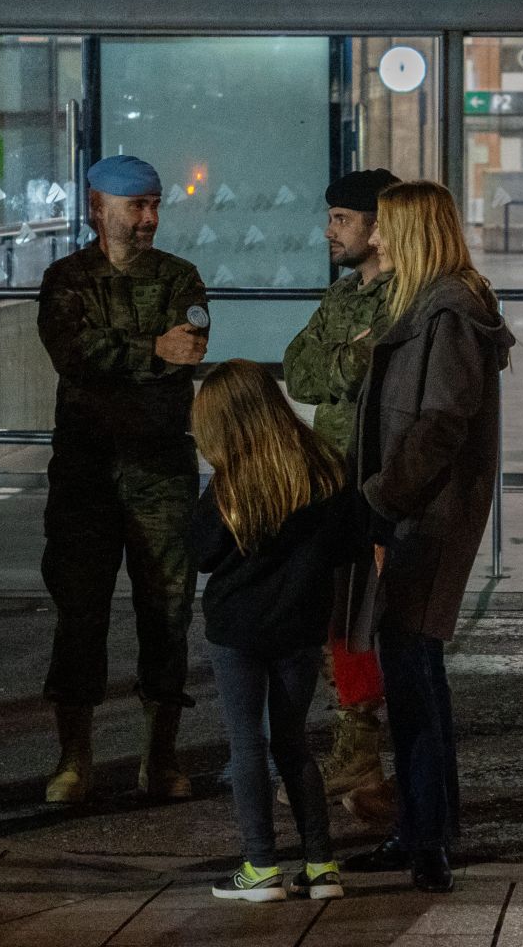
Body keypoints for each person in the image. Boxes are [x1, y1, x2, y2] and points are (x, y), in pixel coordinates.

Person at [341, 181, 514, 895]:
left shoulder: (448, 310)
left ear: (415, 233)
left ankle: (426, 841)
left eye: (388, 229)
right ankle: (423, 830)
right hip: (417, 512)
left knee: (413, 676)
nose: (374, 239)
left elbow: (440, 422)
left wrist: (381, 497)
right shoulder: (434, 302)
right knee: (416, 676)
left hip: (424, 518)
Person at [37, 154, 208, 804]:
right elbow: (71, 354)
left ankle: (159, 759)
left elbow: (187, 349)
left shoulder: (179, 277)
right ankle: (74, 759)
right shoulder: (65, 278)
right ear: (95, 208)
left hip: (160, 470)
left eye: (155, 205)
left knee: (165, 613)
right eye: (136, 206)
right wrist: (148, 351)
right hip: (85, 473)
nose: (149, 218)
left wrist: (134, 356)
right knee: (78, 614)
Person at [190, 359, 366, 903]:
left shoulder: (234, 481)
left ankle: (260, 866)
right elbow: (348, 545)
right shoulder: (321, 467)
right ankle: (321, 866)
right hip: (301, 625)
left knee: (247, 740)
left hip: (237, 628)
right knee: (293, 743)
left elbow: (200, 553)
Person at [282, 168, 399, 819]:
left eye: (342, 220)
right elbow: (298, 371)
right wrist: (351, 362)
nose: (329, 231)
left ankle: (367, 757)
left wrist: (352, 366)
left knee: (366, 622)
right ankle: (368, 770)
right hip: (332, 478)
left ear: (380, 228)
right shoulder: (344, 298)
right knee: (338, 617)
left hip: (379, 479)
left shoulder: (410, 298)